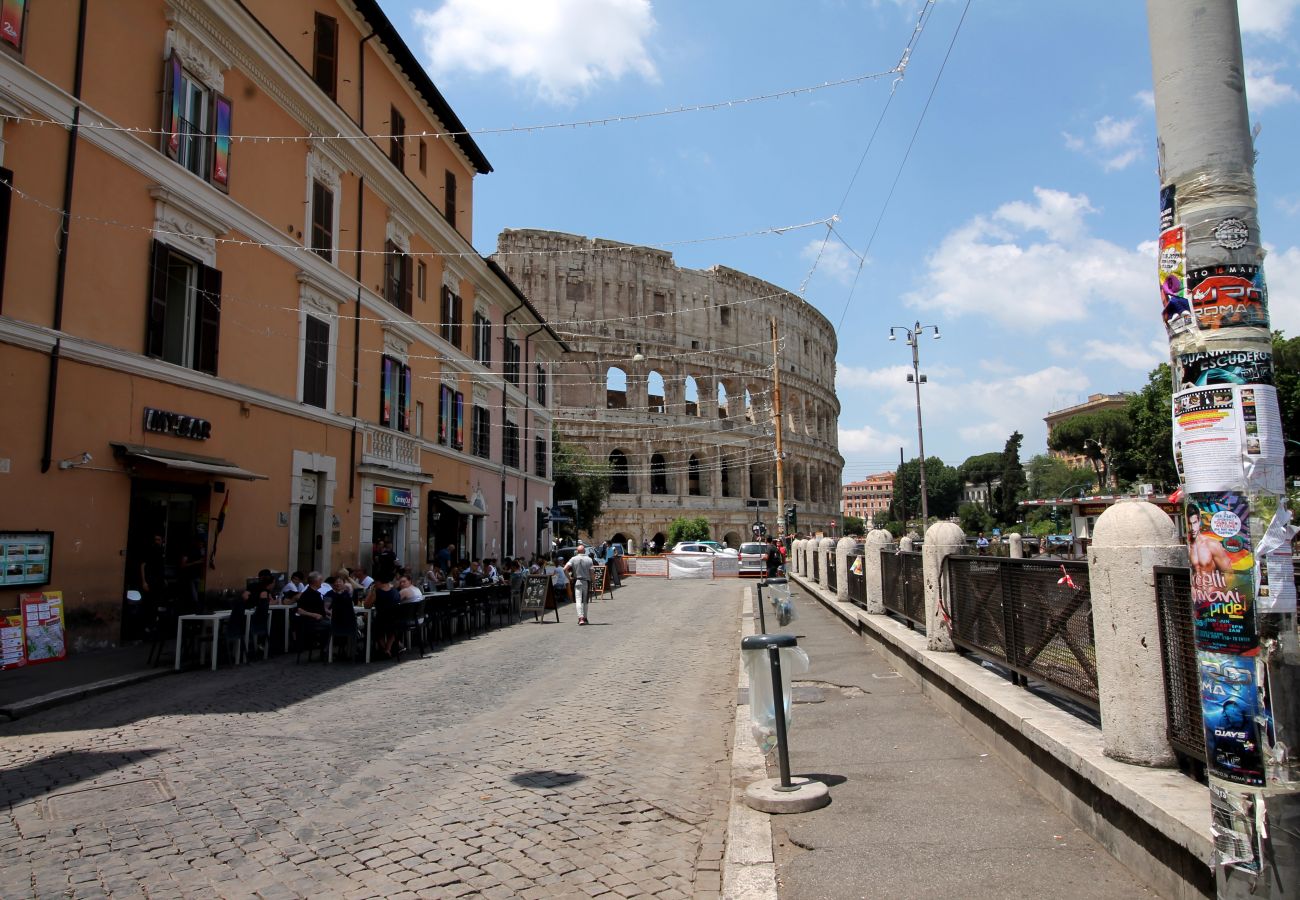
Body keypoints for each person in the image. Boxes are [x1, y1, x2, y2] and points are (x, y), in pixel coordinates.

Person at [1188, 507, 1233, 587]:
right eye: (1189, 524)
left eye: (1194, 523)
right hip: (1199, 596)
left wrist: (1219, 594)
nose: (1192, 528)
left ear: (1199, 522)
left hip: (1215, 595)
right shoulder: (1189, 547)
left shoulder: (1211, 544)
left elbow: (1229, 574)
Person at [365, 568, 402, 658]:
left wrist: (371, 592)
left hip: (381, 621)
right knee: (391, 630)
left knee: (370, 625)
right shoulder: (395, 591)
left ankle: (384, 648)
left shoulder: (377, 592)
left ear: (378, 582)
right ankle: (388, 649)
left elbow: (367, 606)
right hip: (395, 621)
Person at [565, 542, 595, 626]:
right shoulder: (589, 559)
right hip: (586, 581)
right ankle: (585, 617)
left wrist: (569, 578)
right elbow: (592, 573)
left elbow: (565, 569)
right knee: (585, 600)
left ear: (577, 551)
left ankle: (580, 618)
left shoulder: (573, 559)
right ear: (584, 551)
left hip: (577, 581)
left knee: (578, 599)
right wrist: (594, 583)